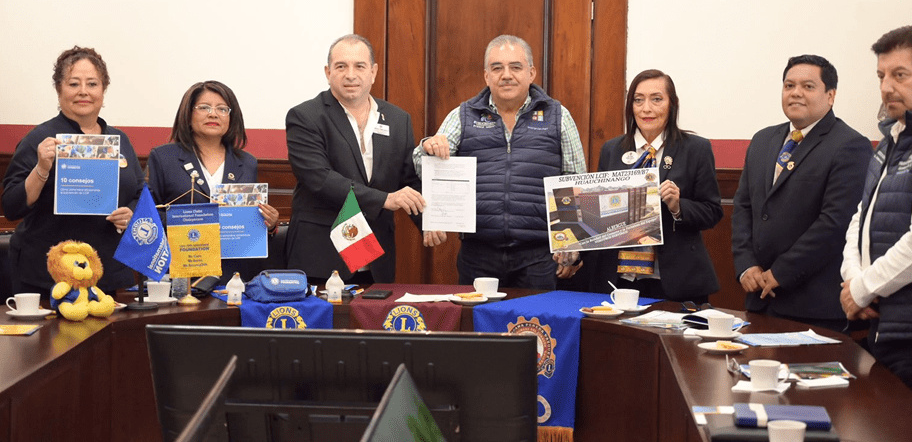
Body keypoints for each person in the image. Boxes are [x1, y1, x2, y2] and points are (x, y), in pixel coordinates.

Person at [417, 35, 587, 290]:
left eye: (515, 67)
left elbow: (575, 183)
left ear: (531, 73)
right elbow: (422, 165)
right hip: (478, 255)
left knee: (535, 328)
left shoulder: (558, 116)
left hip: (539, 257)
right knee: (478, 327)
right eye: (497, 68)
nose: (506, 75)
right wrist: (427, 146)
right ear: (487, 76)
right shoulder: (462, 115)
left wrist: (572, 246)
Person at [732, 55, 872, 333]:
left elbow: (835, 223)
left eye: (808, 86)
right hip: (759, 297)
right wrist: (747, 266)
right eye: (789, 85)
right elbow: (743, 207)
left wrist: (781, 273)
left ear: (830, 95)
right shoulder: (763, 140)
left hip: (812, 304)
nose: (795, 93)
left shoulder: (850, 145)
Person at [285, 34, 438, 286]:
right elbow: (319, 179)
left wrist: (430, 221)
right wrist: (385, 199)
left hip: (376, 259)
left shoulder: (398, 119)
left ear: (374, 72)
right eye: (341, 66)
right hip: (322, 257)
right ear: (328, 72)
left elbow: (409, 180)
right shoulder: (305, 117)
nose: (350, 74)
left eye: (360, 66)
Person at [841, 25, 912, 395]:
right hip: (884, 322)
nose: (886, 87)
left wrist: (862, 289)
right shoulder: (890, 141)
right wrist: (854, 281)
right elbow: (860, 219)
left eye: (900, 75)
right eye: (881, 76)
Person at [1, 47, 144, 295]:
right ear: (59, 90)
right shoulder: (40, 138)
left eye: (92, 84)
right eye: (73, 84)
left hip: (105, 272)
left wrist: (130, 212)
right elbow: (12, 206)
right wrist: (41, 169)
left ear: (103, 90)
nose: (83, 92)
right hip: (48, 275)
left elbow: (139, 192)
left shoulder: (118, 140)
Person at [586, 70, 722, 303]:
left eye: (656, 99)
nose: (646, 108)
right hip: (619, 278)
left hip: (673, 279)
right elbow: (597, 216)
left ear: (672, 104)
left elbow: (712, 212)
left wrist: (678, 206)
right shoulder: (612, 149)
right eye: (638, 100)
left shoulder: (695, 149)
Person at [146, 80, 279, 281]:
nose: (213, 114)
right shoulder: (164, 158)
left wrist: (269, 224)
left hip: (234, 276)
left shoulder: (247, 163)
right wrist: (197, 222)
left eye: (222, 109)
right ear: (188, 113)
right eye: (204, 107)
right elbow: (148, 215)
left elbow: (251, 226)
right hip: (182, 272)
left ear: (231, 118)